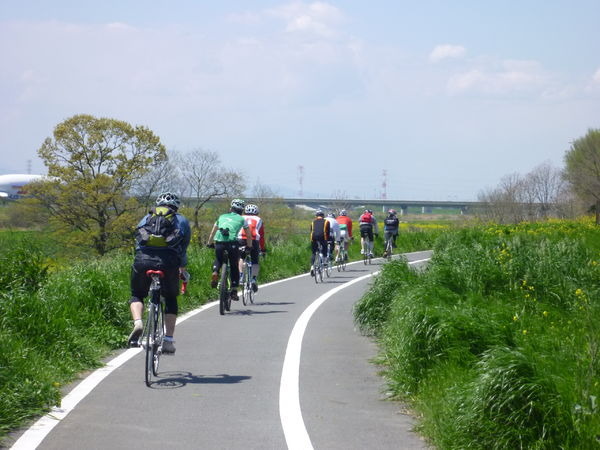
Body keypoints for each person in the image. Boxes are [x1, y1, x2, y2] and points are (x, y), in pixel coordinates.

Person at [128, 192, 191, 354]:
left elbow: (138, 241)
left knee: (137, 294)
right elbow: (183, 249)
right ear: (176, 207)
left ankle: (138, 322)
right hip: (168, 262)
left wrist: (140, 260)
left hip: (143, 259)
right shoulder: (181, 220)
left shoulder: (147, 217)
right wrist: (182, 268)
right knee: (170, 298)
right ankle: (168, 341)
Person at [207, 199, 252, 301]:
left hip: (219, 242)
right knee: (234, 266)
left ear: (230, 208)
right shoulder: (242, 219)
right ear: (241, 211)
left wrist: (209, 243)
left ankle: (215, 272)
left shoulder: (221, 217)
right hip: (232, 243)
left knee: (218, 259)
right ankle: (234, 291)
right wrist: (249, 247)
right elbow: (248, 235)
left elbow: (212, 232)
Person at [238, 203, 266, 293]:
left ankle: (241, 275)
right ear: (256, 212)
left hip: (241, 238)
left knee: (241, 257)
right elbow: (261, 235)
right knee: (255, 261)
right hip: (254, 239)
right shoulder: (259, 219)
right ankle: (253, 279)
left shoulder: (241, 217)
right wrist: (263, 248)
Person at [309, 210, 330, 276]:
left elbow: (311, 231)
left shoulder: (313, 222)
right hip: (322, 237)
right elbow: (328, 232)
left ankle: (312, 266)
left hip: (313, 238)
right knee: (325, 248)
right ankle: (325, 260)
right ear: (323, 216)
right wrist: (328, 240)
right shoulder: (326, 221)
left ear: (316, 216)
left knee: (313, 252)